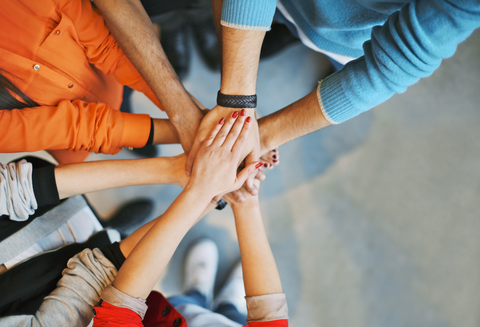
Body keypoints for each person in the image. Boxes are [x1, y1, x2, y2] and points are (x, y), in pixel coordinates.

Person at [182, 0, 480, 181]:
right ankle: (284, 30)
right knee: (274, 25)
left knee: (325, 54)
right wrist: (239, 103)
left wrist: (260, 132)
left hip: (354, 38)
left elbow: (397, 60)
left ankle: (292, 36)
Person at [92, 109, 288, 326]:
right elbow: (270, 320)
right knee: (233, 314)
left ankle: (197, 291)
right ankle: (229, 303)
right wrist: (244, 199)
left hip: (173, 314)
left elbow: (119, 313)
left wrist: (204, 191)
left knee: (186, 302)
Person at [0, 0, 181, 164]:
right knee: (119, 132)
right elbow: (78, 130)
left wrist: (182, 112)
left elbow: (107, 46)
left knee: (125, 100)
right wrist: (179, 131)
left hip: (107, 78)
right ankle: (132, 138)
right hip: (75, 138)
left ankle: (132, 130)